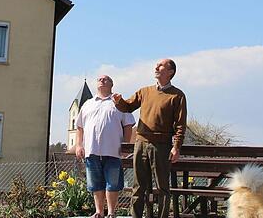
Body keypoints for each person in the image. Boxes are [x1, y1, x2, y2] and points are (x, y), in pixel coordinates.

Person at [113, 59, 187, 218]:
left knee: (162, 188)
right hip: (140, 143)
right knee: (138, 187)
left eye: (161, 66)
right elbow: (128, 106)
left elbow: (180, 125)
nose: (156, 67)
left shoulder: (177, 95)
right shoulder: (144, 91)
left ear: (170, 72)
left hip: (162, 145)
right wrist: (119, 101)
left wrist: (176, 147)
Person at [75, 75, 135, 218]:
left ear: (112, 84)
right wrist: (78, 145)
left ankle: (111, 212)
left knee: (113, 183)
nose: (102, 80)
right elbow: (79, 127)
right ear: (96, 84)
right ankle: (99, 211)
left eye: (106, 79)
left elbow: (128, 126)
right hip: (92, 150)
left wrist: (126, 147)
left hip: (114, 151)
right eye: (99, 79)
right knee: (96, 183)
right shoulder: (88, 104)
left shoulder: (119, 103)